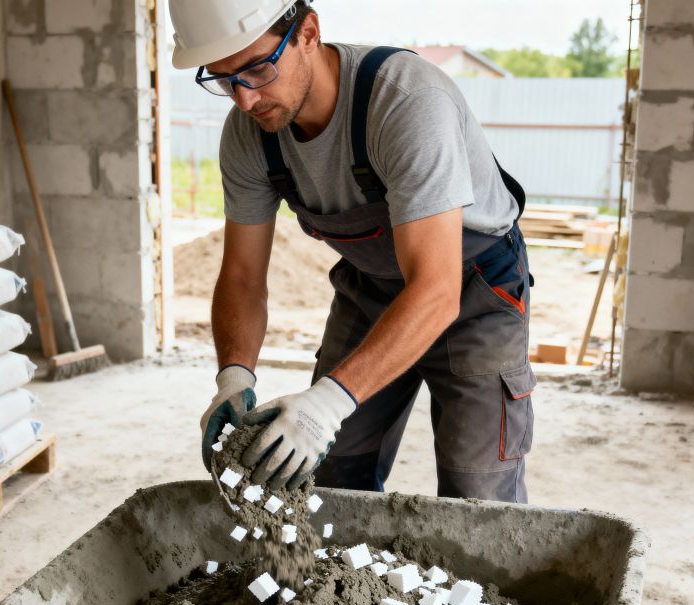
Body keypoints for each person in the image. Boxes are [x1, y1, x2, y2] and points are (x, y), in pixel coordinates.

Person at [182, 0, 534, 502]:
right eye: (221, 78)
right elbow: (240, 276)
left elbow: (436, 290)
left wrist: (327, 402)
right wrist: (233, 378)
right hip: (371, 289)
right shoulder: (251, 134)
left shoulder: (406, 102)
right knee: (328, 474)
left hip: (474, 292)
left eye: (257, 68)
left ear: (308, 31)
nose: (244, 99)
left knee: (478, 493)